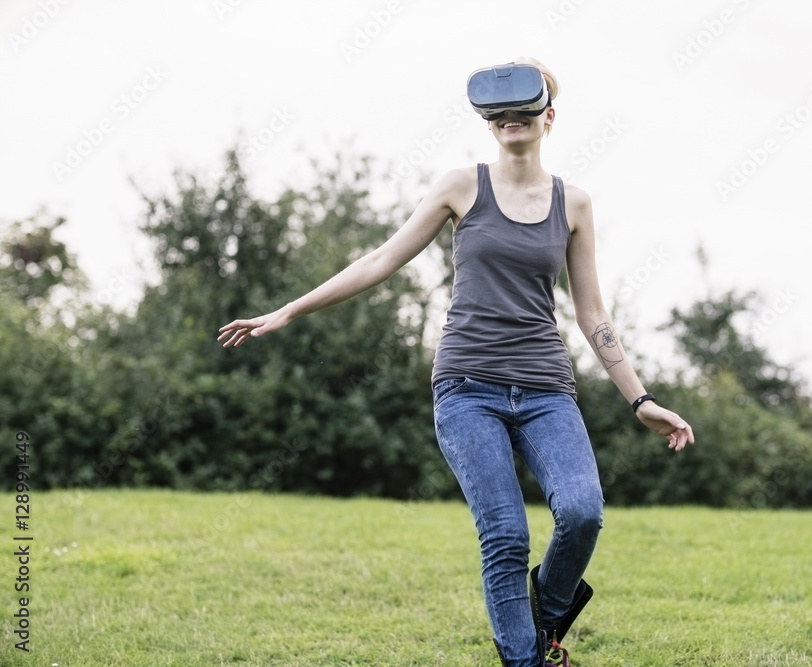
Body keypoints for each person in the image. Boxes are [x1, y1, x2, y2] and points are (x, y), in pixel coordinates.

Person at [218, 57, 694, 667]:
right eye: (499, 115)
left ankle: (542, 618)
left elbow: (593, 313)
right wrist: (288, 311)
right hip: (467, 388)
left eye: (524, 113)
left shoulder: (573, 204)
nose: (511, 123)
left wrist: (641, 399)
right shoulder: (460, 187)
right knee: (505, 534)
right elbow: (378, 261)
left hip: (547, 389)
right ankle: (527, 660)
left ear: (549, 118)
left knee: (582, 513)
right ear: (488, 122)